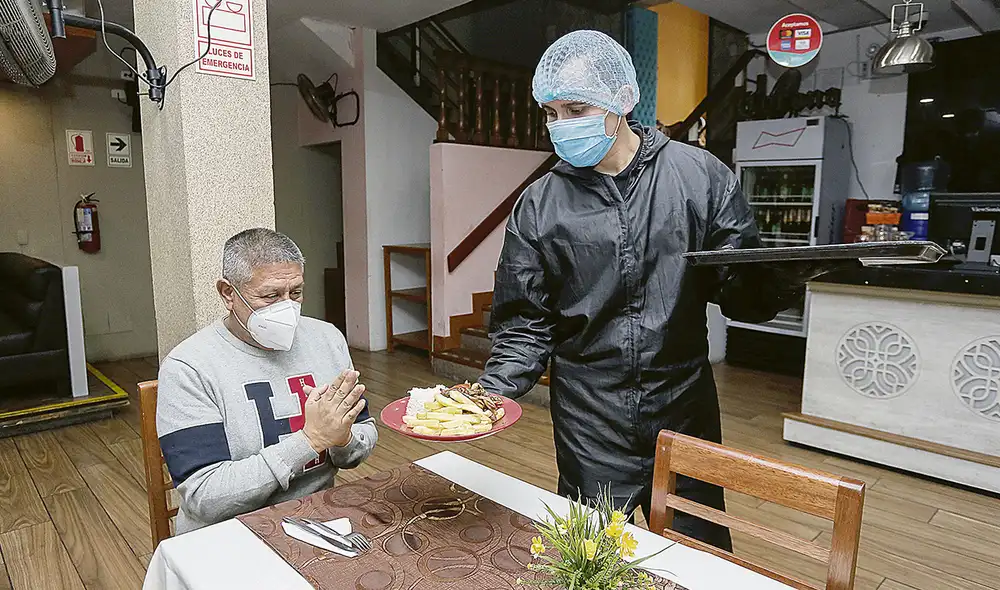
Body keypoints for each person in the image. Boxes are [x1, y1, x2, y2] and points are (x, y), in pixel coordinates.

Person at [477, 30, 827, 551]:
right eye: (551, 112)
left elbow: (742, 294)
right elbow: (525, 321)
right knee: (589, 559)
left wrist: (783, 276)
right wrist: (489, 393)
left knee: (699, 552)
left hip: (683, 405)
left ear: (620, 101)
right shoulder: (539, 204)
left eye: (576, 108)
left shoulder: (699, 177)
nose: (561, 126)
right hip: (588, 414)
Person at [157, 228, 377, 534]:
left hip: (317, 519)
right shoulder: (189, 367)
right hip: (227, 533)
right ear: (228, 293)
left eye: (296, 293)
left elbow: (361, 434)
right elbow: (205, 497)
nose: (286, 307)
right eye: (270, 296)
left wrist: (342, 440)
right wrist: (309, 441)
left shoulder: (327, 340)